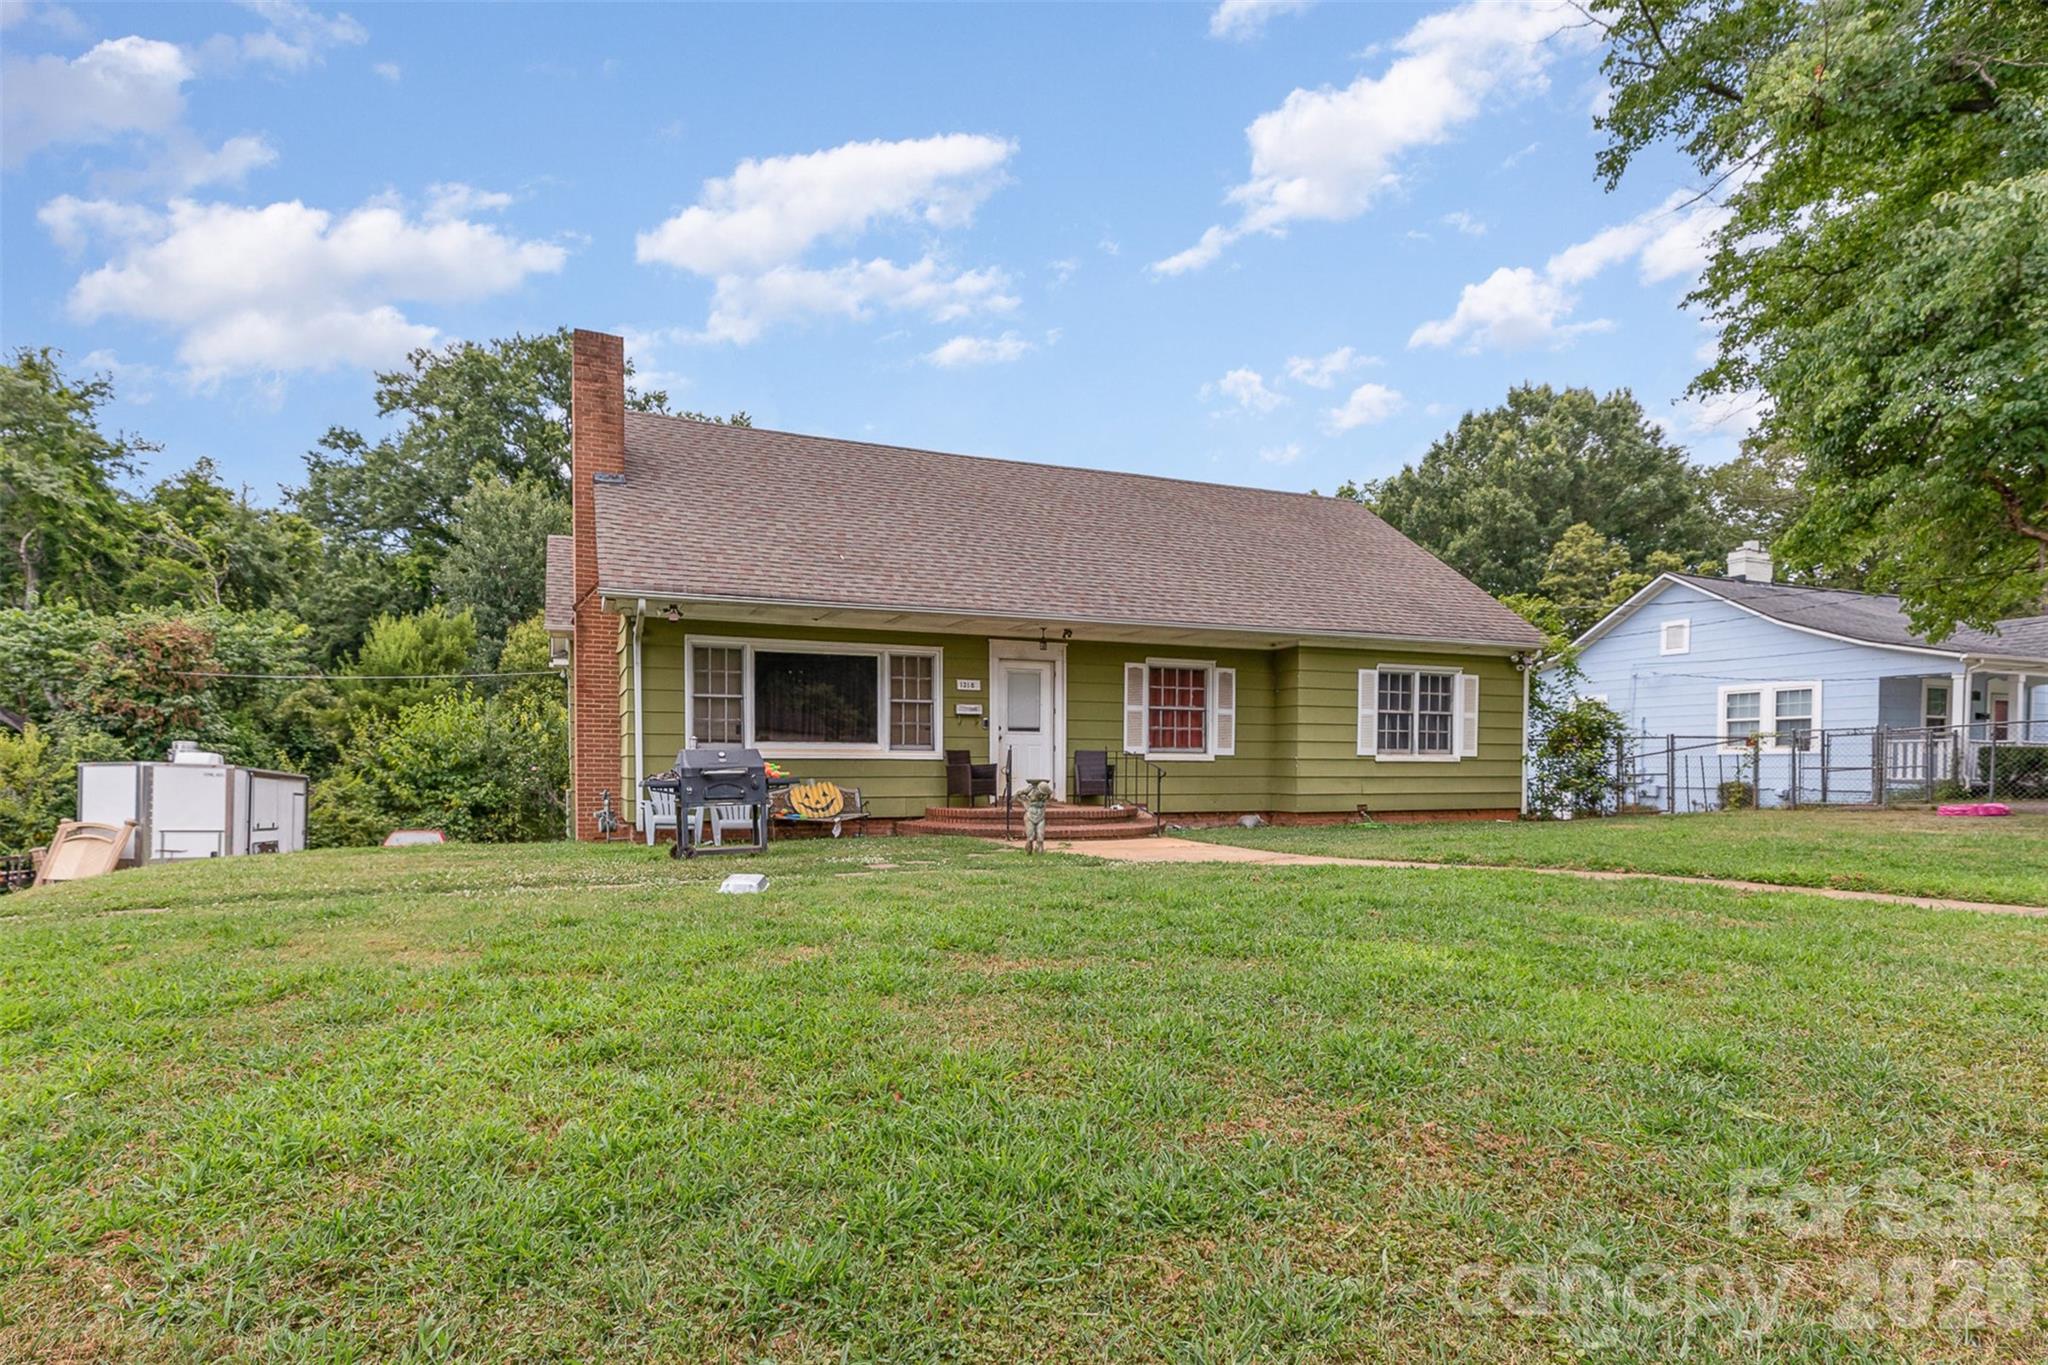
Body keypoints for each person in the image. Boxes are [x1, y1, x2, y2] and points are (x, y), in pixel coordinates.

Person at [1017, 778, 1054, 853]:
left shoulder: (1045, 797)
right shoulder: (1030, 794)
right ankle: (1028, 851)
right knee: (1030, 837)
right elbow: (1018, 795)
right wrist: (1025, 793)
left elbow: (1049, 795)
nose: (1043, 795)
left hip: (1040, 817)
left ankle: (1039, 852)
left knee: (1040, 837)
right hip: (1030, 816)